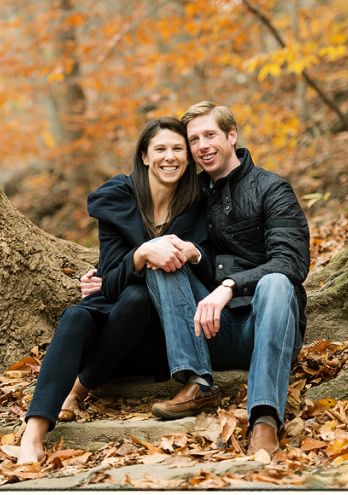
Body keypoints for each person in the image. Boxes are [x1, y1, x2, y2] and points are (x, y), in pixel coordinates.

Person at [82, 101, 310, 457]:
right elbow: (143, 228)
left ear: (231, 135)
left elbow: (291, 262)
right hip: (212, 330)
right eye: (194, 139)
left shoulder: (271, 188)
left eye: (210, 135)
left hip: (267, 322)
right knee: (165, 252)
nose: (202, 145)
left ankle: (264, 418)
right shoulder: (192, 194)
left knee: (277, 281)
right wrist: (108, 275)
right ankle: (198, 382)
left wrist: (228, 286)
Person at [18, 117, 213, 464]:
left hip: (160, 335)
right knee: (77, 314)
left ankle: (79, 389)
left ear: (188, 157)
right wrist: (140, 255)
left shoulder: (197, 205)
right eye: (161, 149)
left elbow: (197, 271)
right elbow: (108, 280)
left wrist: (142, 263)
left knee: (137, 298)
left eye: (178, 149)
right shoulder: (119, 198)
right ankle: (33, 433)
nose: (170, 157)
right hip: (115, 320)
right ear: (144, 156)